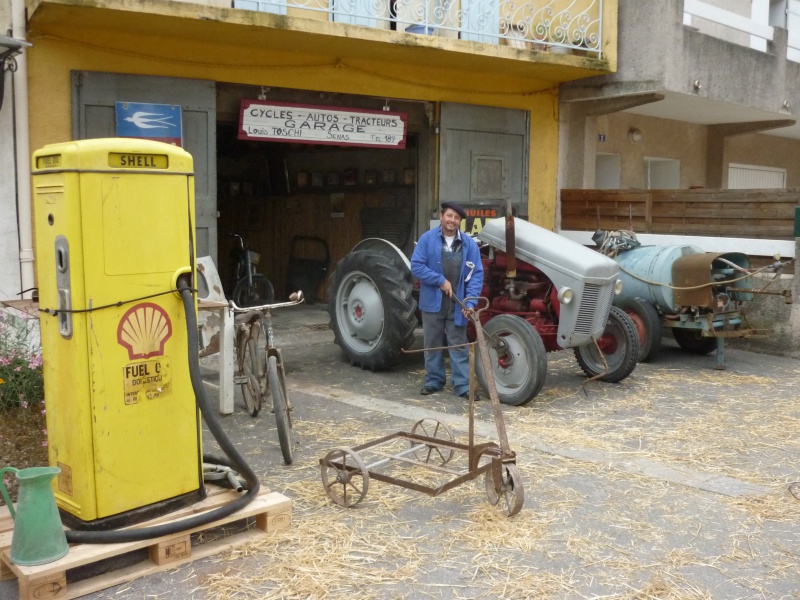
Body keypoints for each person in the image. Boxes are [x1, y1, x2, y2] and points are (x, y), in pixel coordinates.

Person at [410, 201, 484, 399]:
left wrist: (470, 303)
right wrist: (440, 280)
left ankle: (463, 386)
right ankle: (434, 381)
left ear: (460, 222)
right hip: (432, 302)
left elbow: (476, 274)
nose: (452, 220)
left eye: (456, 218)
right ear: (441, 217)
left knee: (458, 343)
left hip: (458, 303)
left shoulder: (469, 245)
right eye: (449, 216)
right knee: (432, 342)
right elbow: (416, 266)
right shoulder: (426, 240)